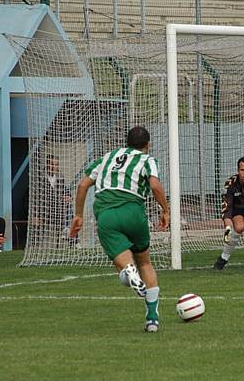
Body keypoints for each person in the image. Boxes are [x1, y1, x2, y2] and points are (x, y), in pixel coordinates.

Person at [69, 126, 170, 333]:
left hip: (107, 215)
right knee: (145, 263)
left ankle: (128, 273)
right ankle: (152, 320)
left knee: (124, 266)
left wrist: (78, 215)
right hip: (134, 213)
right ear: (147, 145)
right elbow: (155, 186)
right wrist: (165, 211)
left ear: (126, 142)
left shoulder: (107, 157)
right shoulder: (147, 160)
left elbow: (82, 185)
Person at [31, 154, 77, 248]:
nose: (54, 167)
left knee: (69, 206)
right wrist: (34, 215)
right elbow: (32, 197)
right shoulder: (39, 178)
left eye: (56, 165)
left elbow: (66, 190)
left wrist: (68, 196)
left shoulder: (60, 177)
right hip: (44, 211)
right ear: (47, 165)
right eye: (52, 164)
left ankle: (71, 236)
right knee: (68, 209)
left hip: (58, 210)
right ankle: (72, 238)